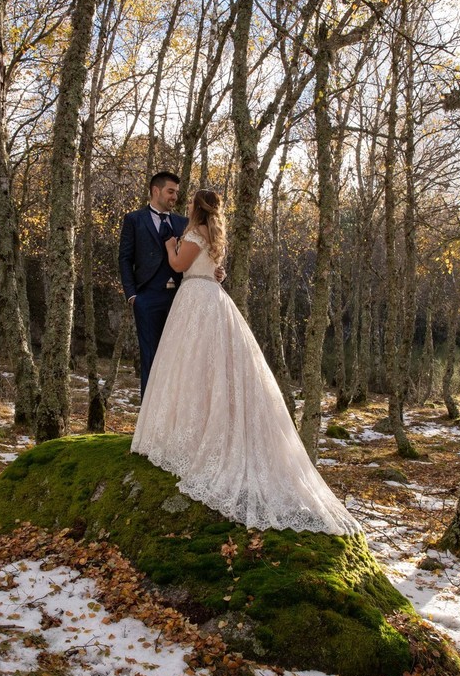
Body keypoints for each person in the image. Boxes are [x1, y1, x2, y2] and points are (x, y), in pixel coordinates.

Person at [131, 189, 361, 535]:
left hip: (197, 298)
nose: (187, 206)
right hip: (208, 295)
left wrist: (169, 247)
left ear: (198, 208)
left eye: (191, 202)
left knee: (194, 366)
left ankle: (194, 433)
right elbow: (210, 267)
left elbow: (178, 265)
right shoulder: (211, 234)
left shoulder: (195, 233)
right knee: (204, 366)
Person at [118, 171, 188, 400]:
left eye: (176, 192)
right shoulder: (134, 219)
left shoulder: (183, 223)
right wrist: (132, 295)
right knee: (150, 358)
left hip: (181, 298)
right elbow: (125, 258)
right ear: (155, 191)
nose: (174, 197)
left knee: (179, 359)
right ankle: (149, 423)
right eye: (170, 191)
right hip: (146, 298)